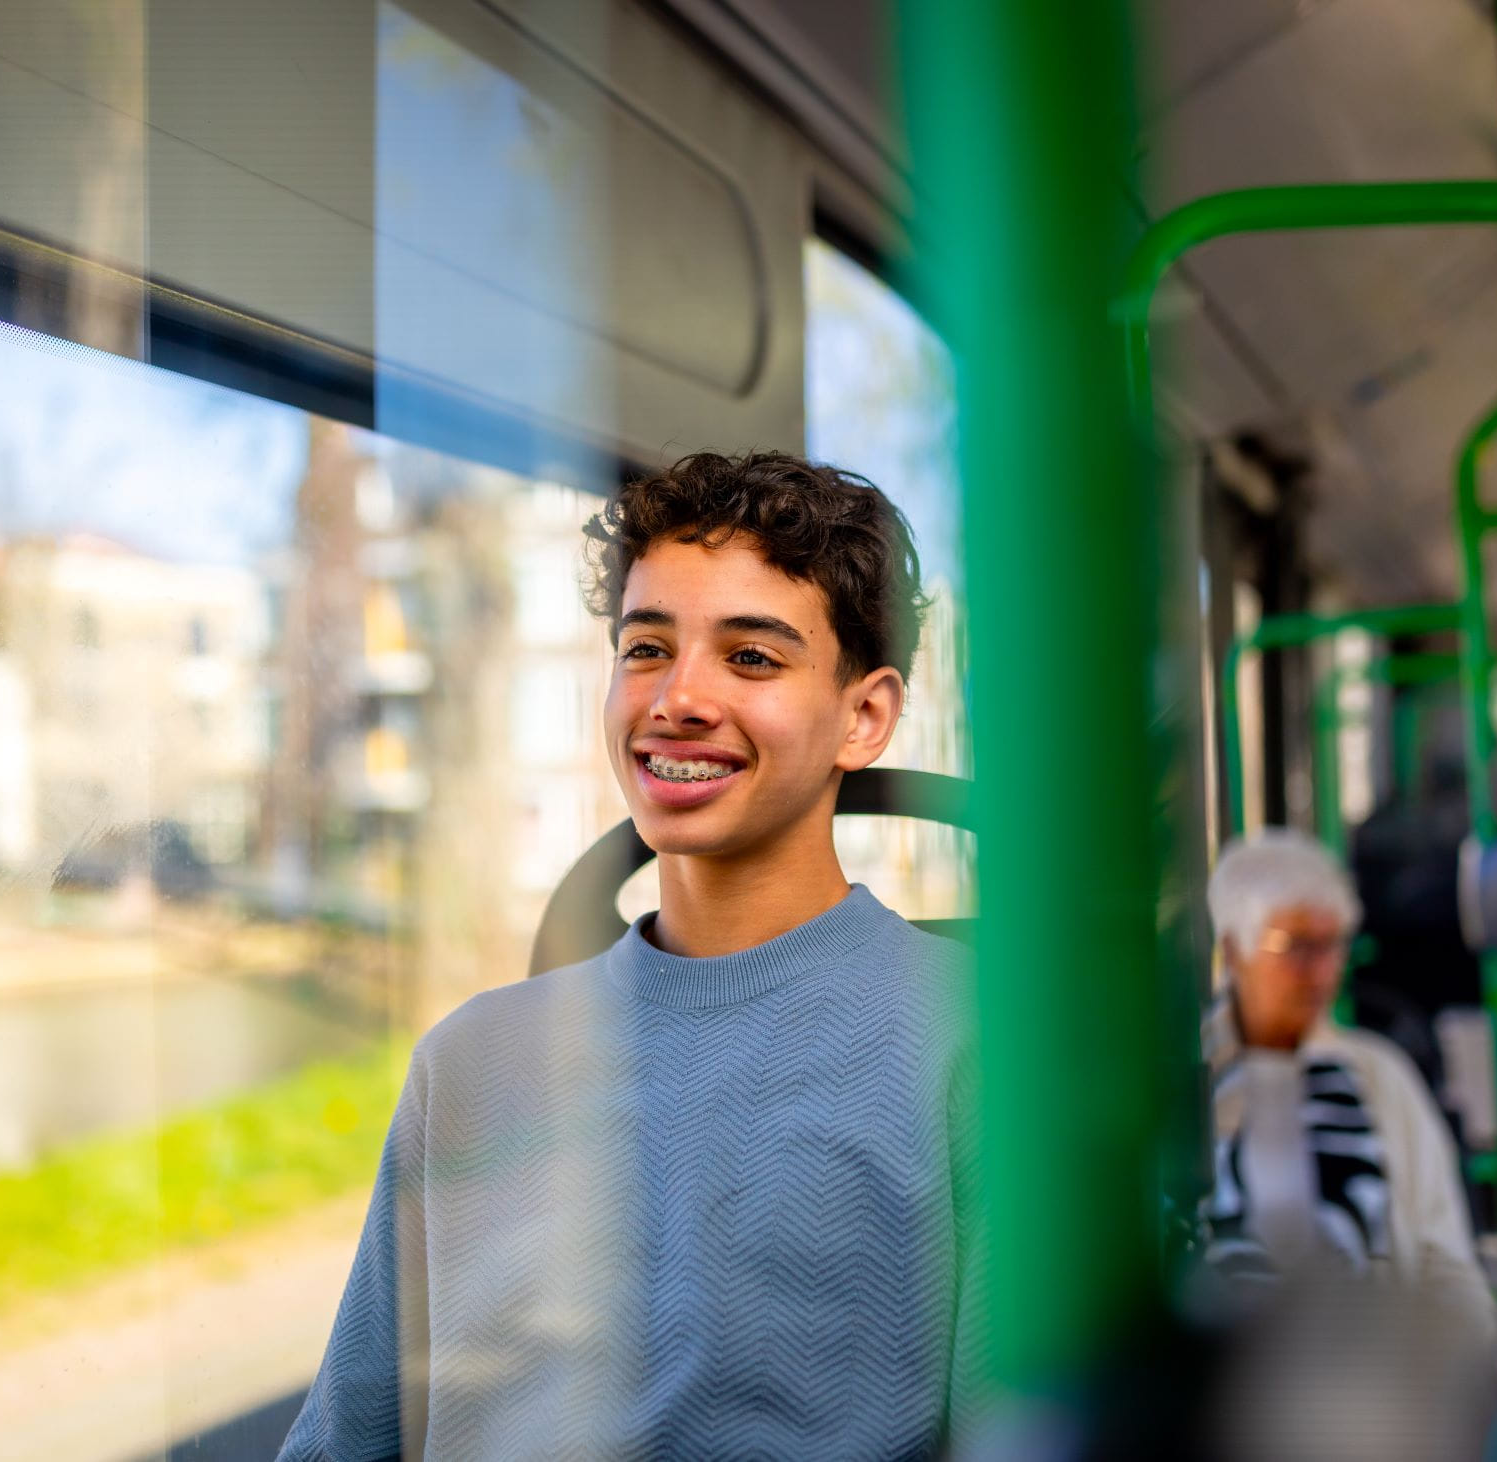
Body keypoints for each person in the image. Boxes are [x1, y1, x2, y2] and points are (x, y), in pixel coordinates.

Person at [279, 452, 979, 1459]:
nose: (676, 699)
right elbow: (348, 1438)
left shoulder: (979, 1039)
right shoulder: (467, 1059)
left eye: (750, 658)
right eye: (646, 648)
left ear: (863, 716)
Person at [1199, 829, 1490, 1334]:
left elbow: (1445, 1259)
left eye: (1333, 945)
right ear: (1234, 949)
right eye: (1297, 947)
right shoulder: (1190, 1079)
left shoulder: (1380, 1076)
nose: (1322, 971)